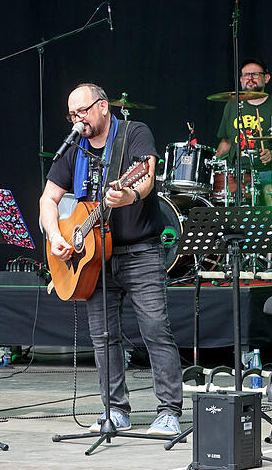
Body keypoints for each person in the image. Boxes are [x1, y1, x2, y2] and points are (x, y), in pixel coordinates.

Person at [39, 83, 183, 436]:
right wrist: (56, 236)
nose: (78, 120)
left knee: (155, 329)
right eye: (72, 114)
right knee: (103, 337)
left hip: (140, 251)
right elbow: (48, 198)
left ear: (103, 107)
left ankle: (169, 411)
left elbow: (146, 174)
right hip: (93, 259)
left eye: (82, 111)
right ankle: (115, 410)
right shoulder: (75, 146)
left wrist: (129, 194)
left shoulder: (134, 132)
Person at [215, 58, 272, 205]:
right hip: (236, 172)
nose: (250, 78)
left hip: (268, 172)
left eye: (255, 74)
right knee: (224, 199)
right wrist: (213, 160)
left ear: (266, 78)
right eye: (246, 75)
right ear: (241, 80)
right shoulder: (231, 106)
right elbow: (227, 142)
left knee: (270, 191)